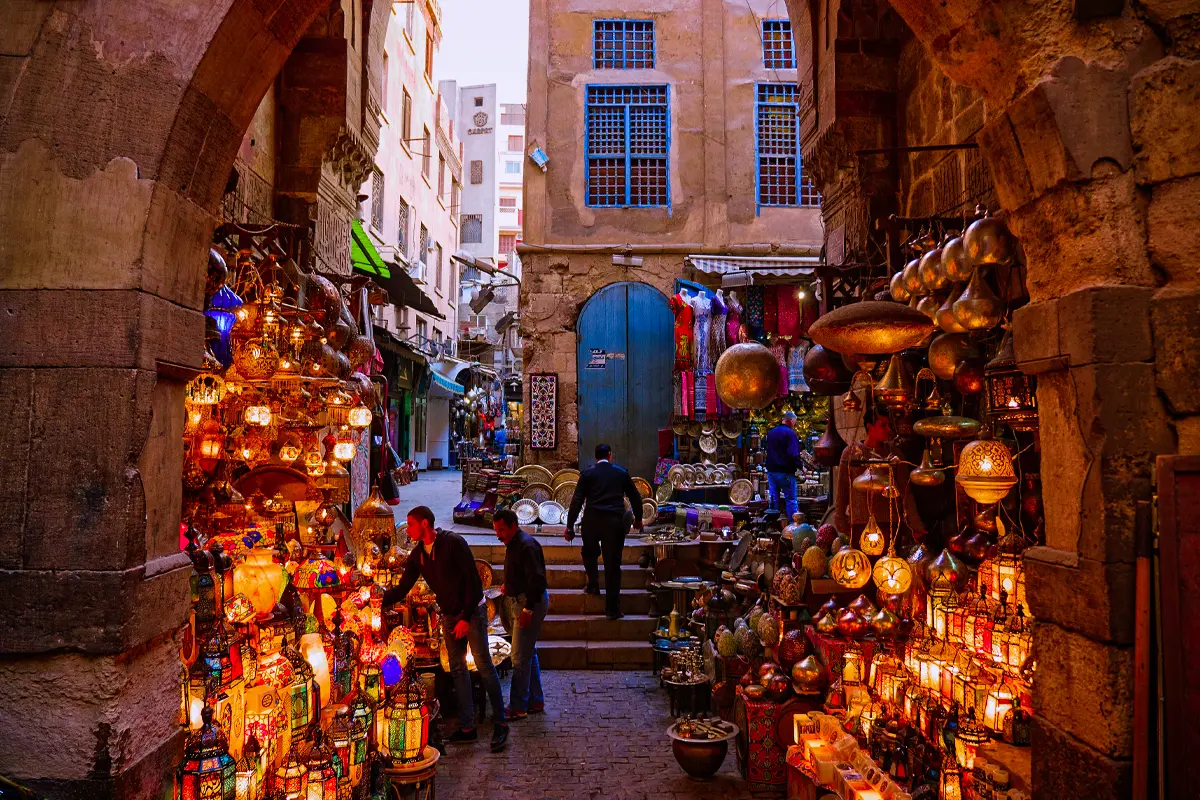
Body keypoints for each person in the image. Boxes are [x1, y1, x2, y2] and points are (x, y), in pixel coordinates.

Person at [382, 506, 509, 752]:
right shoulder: (418, 555)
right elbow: (403, 588)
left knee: (483, 666)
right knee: (457, 669)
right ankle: (467, 726)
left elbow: (474, 583)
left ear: (425, 524)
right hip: (450, 615)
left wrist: (464, 618)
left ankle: (501, 724)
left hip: (472, 611)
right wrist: (376, 598)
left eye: (410, 525)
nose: (407, 530)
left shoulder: (453, 543)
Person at [565, 444, 643, 619]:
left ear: (595, 457)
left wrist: (569, 526)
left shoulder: (587, 473)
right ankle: (612, 609)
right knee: (612, 565)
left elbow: (576, 501)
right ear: (610, 455)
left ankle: (593, 583)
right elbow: (635, 496)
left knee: (589, 553)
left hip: (591, 521)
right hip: (614, 523)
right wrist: (638, 519)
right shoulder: (621, 473)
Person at [492, 508, 549, 719]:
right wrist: (510, 586)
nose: (498, 534)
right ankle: (535, 700)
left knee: (518, 657)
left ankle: (518, 706)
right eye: (496, 530)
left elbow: (537, 580)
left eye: (502, 530)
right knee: (528, 652)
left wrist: (528, 609)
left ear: (513, 526)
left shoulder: (527, 545)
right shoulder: (514, 544)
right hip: (522, 599)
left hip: (529, 603)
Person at [765, 410, 802, 520]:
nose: (794, 425)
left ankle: (773, 523)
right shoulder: (790, 433)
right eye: (794, 423)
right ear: (790, 421)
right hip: (785, 472)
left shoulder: (771, 433)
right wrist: (801, 466)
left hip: (772, 471)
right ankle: (793, 526)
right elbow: (793, 453)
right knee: (790, 500)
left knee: (774, 499)